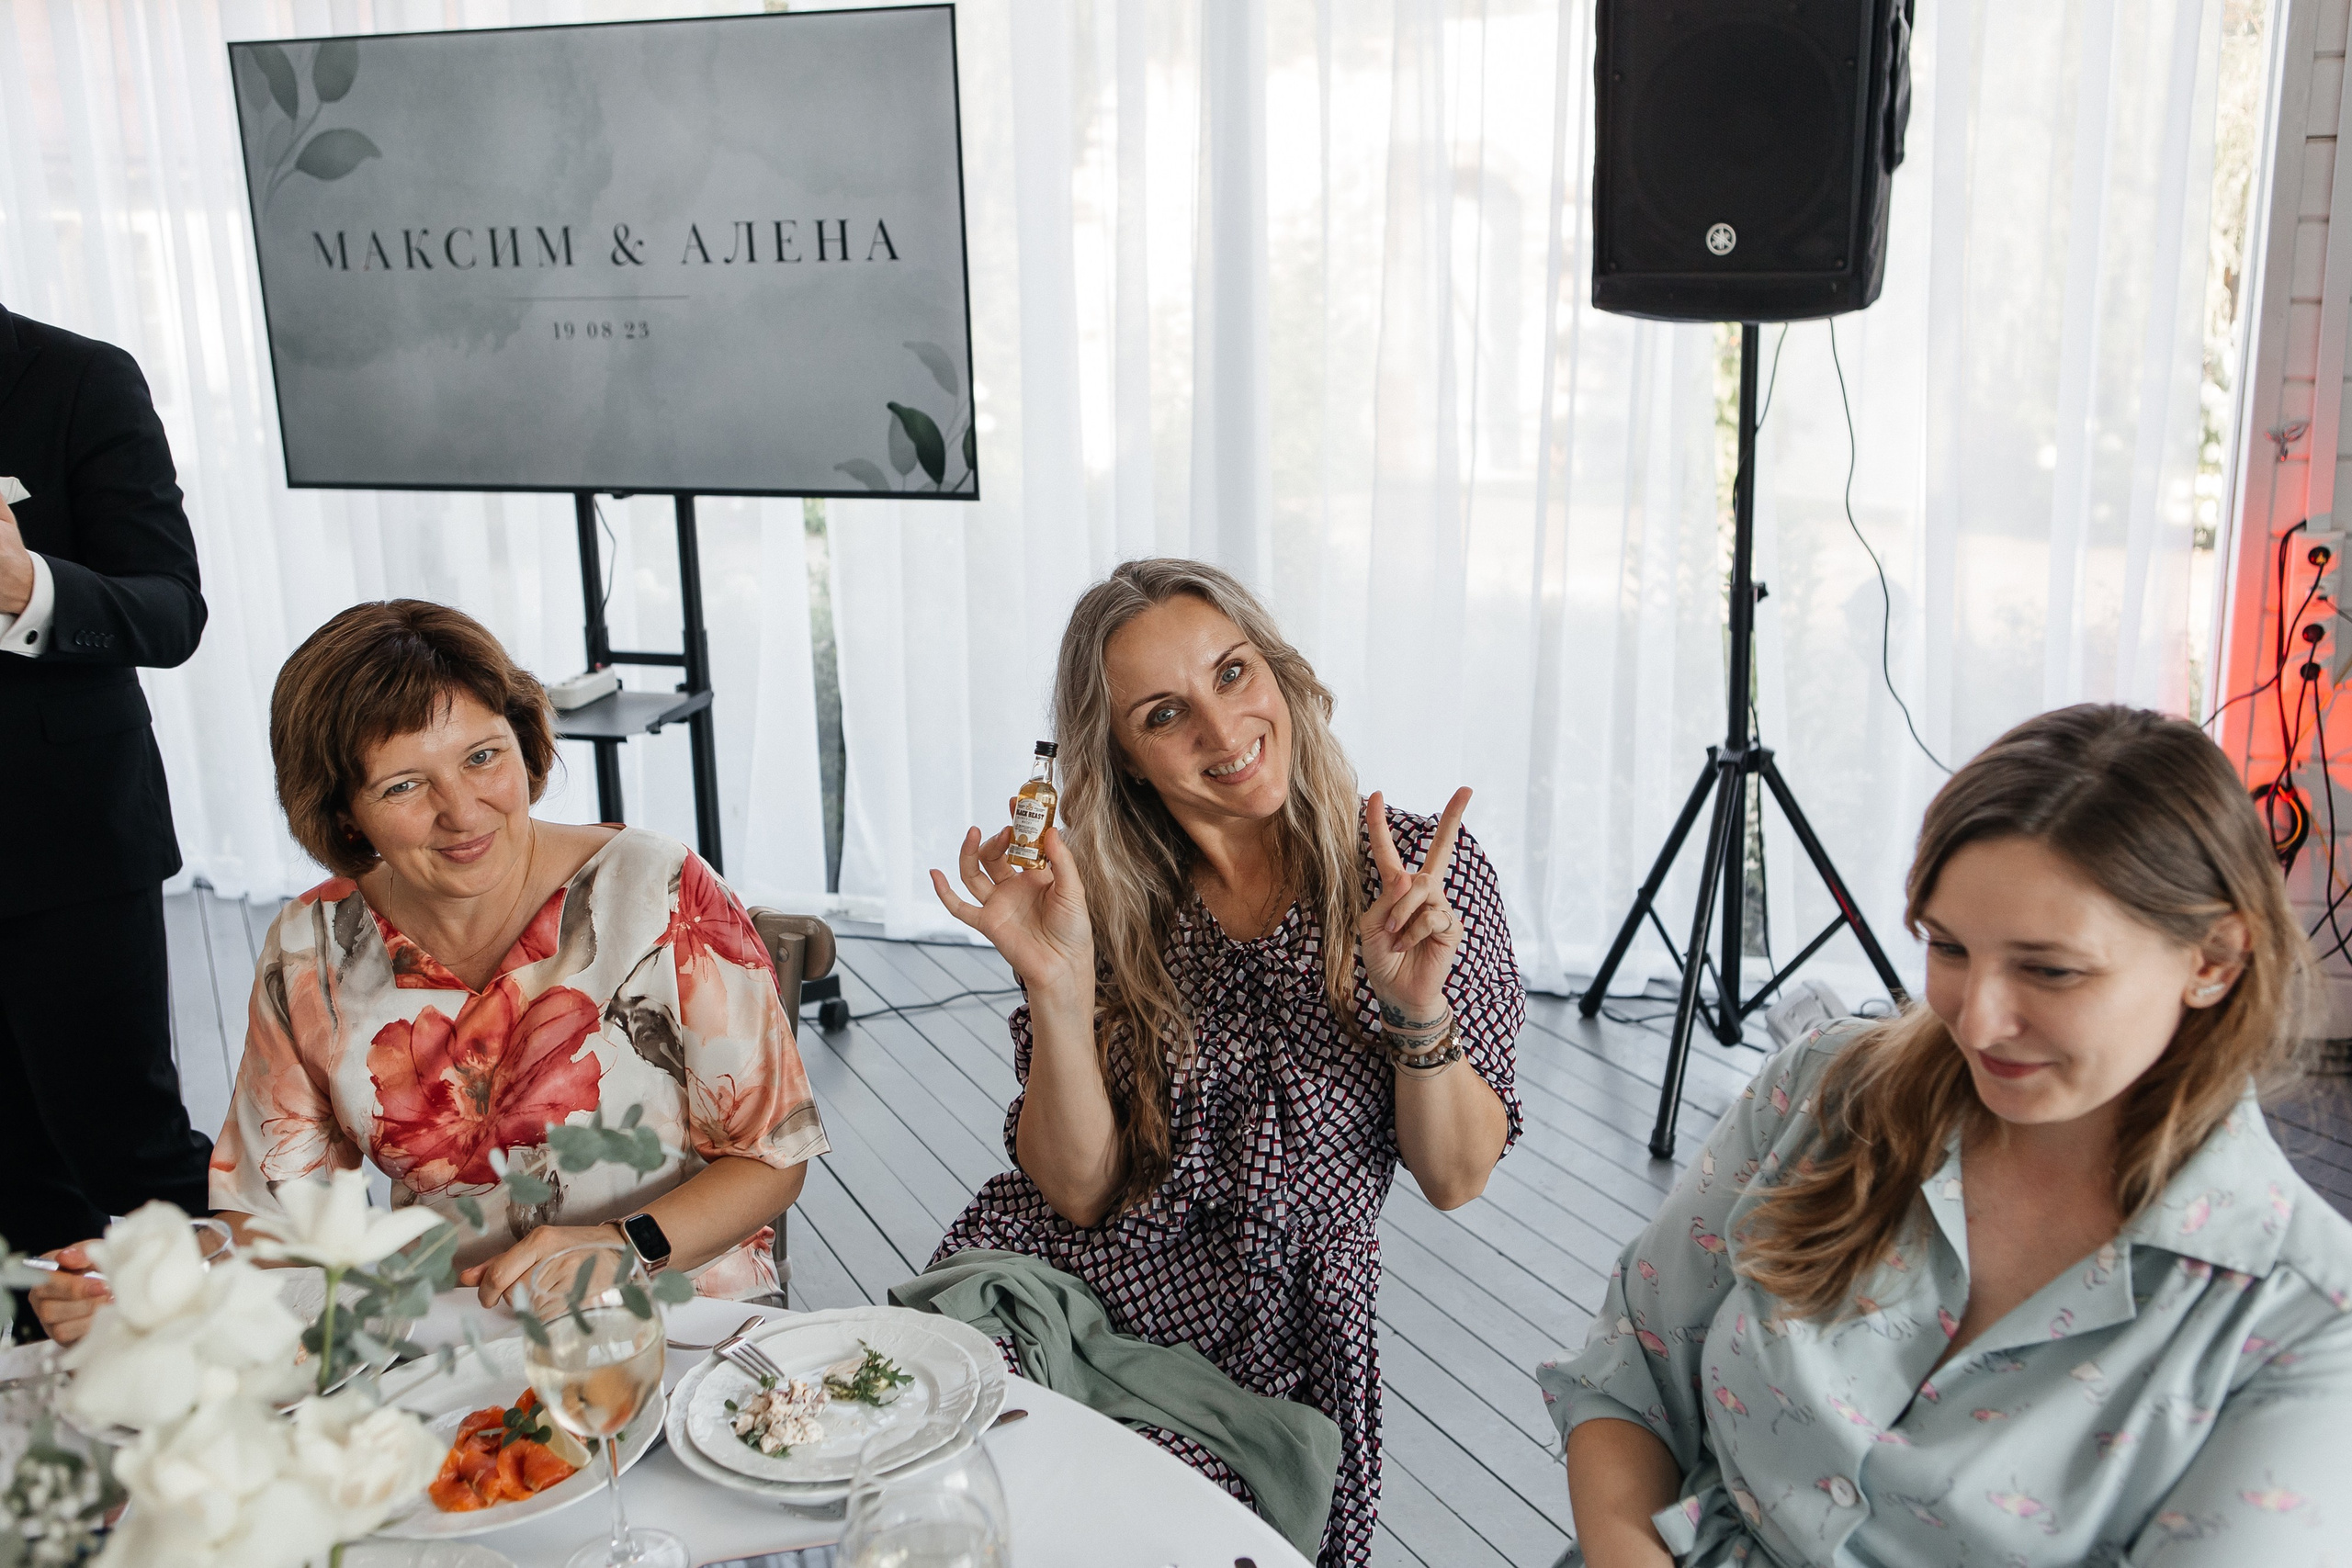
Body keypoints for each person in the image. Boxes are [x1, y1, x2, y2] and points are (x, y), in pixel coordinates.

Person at [1542, 705, 2352, 1567]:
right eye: (1949, 946)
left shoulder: (2304, 1320)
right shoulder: (1825, 1089)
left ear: (2215, 960)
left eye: (2049, 968)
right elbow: (1631, 1368)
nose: (1980, 1018)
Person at [927, 558, 1525, 1567]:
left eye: (1233, 674)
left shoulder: (1416, 874)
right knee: (928, 1497)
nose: (1220, 730)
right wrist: (1057, 988)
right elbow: (1073, 1191)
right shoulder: (1105, 902)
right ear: (1120, 755)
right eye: (1164, 714)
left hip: (1266, 1348)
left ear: (1279, 673)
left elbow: (1456, 1177)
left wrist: (1413, 1008)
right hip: (1055, 1302)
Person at [31, 601, 829, 1342]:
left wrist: (625, 1244)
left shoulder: (657, 889)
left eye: (483, 756)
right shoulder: (312, 948)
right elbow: (273, 1219)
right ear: (345, 811)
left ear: (522, 741)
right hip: (455, 1338)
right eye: (405, 784)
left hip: (686, 1316)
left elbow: (772, 1156)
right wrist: (157, 1278)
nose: (463, 810)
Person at [0, 302, 215, 1299]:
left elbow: (171, 609)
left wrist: (27, 587)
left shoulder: (78, 377)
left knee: (128, 1154)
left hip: (62, 842)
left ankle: (229, 1377)